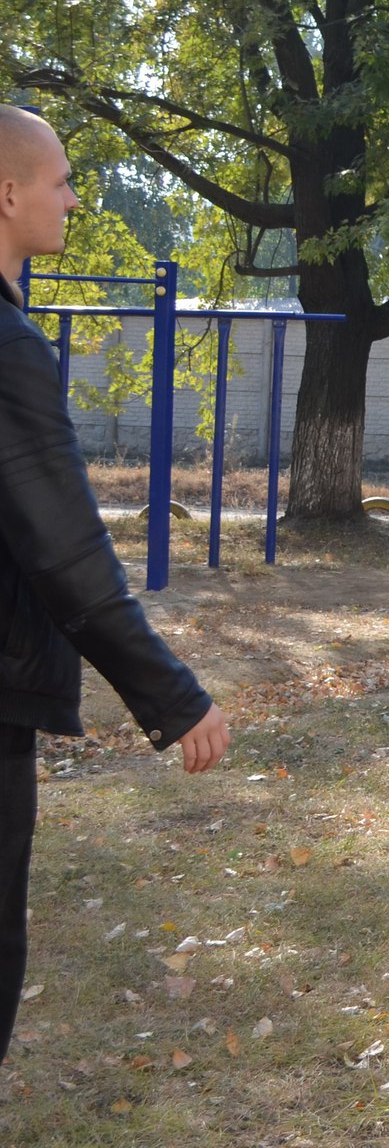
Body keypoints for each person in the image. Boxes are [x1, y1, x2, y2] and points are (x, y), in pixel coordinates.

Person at [0, 105, 229, 1060]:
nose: (73, 199)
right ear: (8, 193)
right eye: (60, 181)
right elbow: (64, 552)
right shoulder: (10, 349)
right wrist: (172, 695)